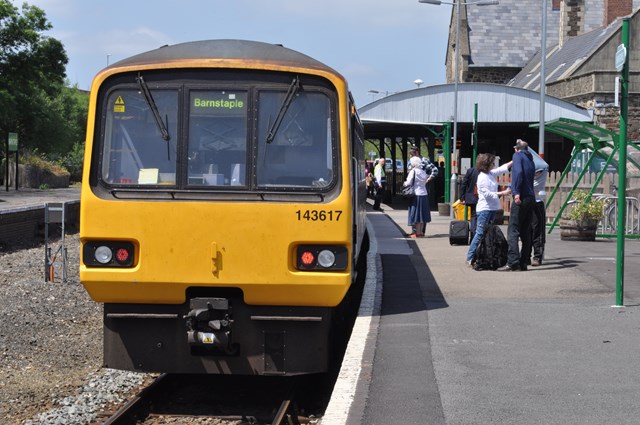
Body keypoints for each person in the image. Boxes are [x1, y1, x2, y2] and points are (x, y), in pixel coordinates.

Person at [466, 153, 512, 267]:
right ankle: (470, 257)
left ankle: (484, 255)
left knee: (488, 233)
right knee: (480, 233)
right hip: (484, 209)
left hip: (492, 208)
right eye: (492, 162)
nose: (494, 164)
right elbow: (487, 194)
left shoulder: (490, 173)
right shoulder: (482, 177)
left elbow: (502, 169)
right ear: (487, 164)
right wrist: (502, 193)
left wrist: (514, 160)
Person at [498, 139, 535, 272]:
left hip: (522, 195)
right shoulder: (530, 158)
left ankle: (513, 262)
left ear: (516, 149)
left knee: (513, 230)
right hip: (531, 197)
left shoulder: (517, 156)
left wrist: (517, 192)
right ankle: (524, 261)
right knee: (525, 230)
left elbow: (518, 173)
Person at [408, 146, 438, 233]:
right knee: (416, 210)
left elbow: (435, 170)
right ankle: (416, 231)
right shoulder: (412, 160)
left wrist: (429, 179)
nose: (410, 156)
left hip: (421, 188)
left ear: (417, 152)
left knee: (419, 209)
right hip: (415, 188)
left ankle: (419, 231)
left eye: (412, 154)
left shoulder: (424, 160)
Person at [524, 167, 548, 266]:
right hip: (527, 202)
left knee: (537, 231)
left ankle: (537, 256)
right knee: (527, 230)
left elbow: (542, 168)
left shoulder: (541, 171)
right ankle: (526, 256)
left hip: (537, 202)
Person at [404, 156, 431, 238]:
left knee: (417, 215)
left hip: (416, 195)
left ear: (413, 163)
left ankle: (417, 233)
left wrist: (404, 184)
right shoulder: (423, 172)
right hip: (424, 194)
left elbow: (408, 182)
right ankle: (421, 232)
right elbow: (425, 180)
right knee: (422, 215)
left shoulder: (413, 171)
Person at [459, 166, 479, 240]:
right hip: (482, 199)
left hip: (472, 198)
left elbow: (463, 184)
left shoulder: (470, 171)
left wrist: (462, 197)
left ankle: (473, 237)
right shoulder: (486, 171)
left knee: (473, 216)